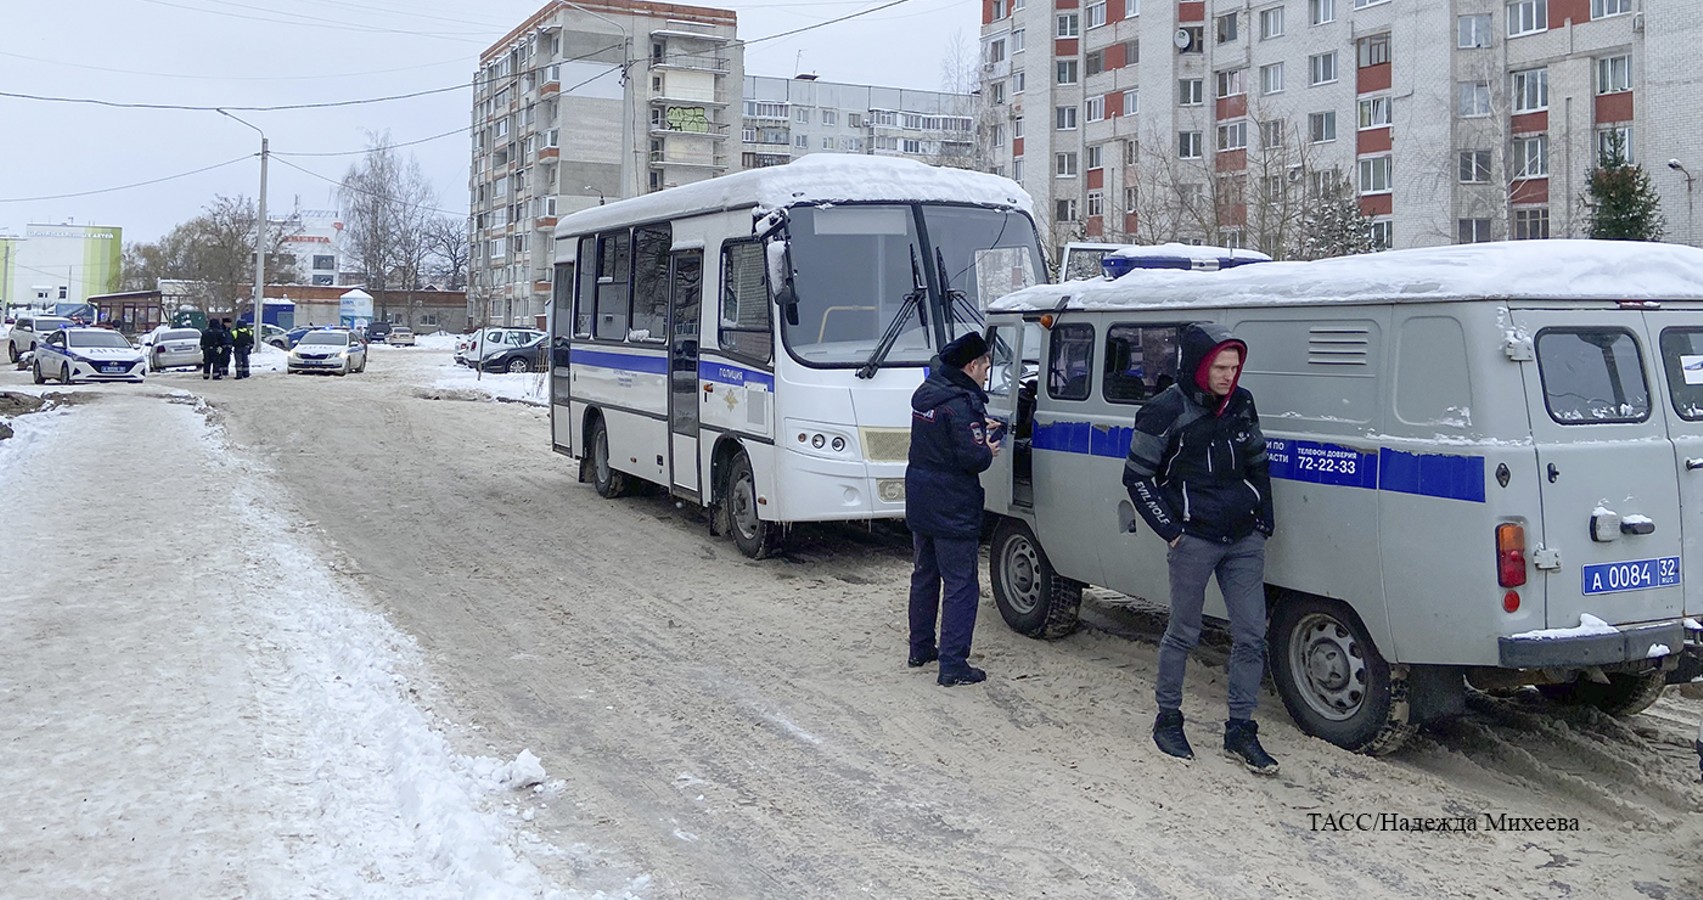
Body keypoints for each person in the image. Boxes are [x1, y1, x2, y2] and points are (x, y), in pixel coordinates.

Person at [1122, 322, 1279, 775]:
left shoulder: (1242, 403)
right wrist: (1172, 531)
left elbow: (1259, 462)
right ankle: (1168, 719)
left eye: (1235, 367)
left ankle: (1240, 730)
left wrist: (1265, 518)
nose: (1230, 376)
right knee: (1183, 632)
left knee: (1252, 634)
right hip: (1193, 539)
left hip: (1243, 538)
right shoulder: (1163, 410)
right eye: (1221, 367)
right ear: (1200, 366)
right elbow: (1136, 477)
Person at [905, 331, 1000, 687]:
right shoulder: (961, 404)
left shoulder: (929, 396)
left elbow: (944, 436)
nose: (986, 374)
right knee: (961, 583)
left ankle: (920, 647)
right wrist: (986, 448)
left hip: (921, 497)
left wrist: (975, 427)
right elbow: (972, 457)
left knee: (924, 574)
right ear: (971, 365)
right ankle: (953, 664)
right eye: (985, 367)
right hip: (952, 505)